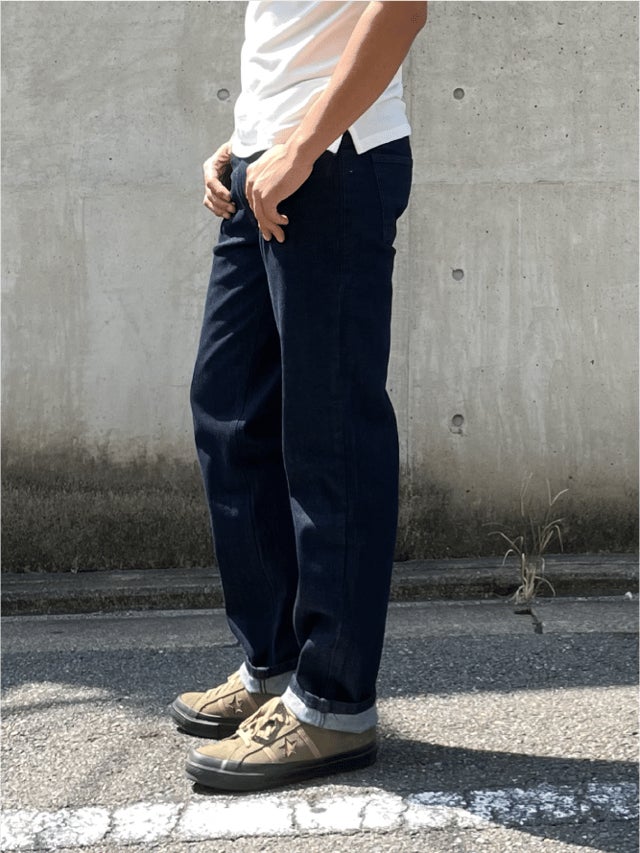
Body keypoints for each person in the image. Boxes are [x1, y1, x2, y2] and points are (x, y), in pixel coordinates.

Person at [170, 0, 428, 792]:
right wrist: (246, 141)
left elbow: (399, 10)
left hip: (334, 161)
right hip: (268, 161)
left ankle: (332, 703)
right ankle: (275, 665)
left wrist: (302, 145)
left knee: (330, 433)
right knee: (229, 414)